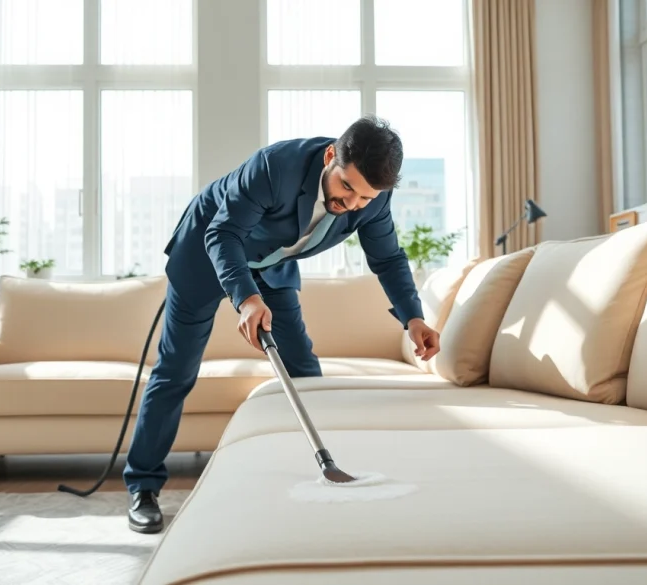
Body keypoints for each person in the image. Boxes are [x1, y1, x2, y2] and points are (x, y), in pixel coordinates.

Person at [123, 115, 442, 533]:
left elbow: (387, 258)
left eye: (365, 198)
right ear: (330, 156)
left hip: (272, 263)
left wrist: (413, 318)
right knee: (176, 371)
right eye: (346, 188)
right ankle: (142, 486)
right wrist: (246, 299)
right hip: (208, 252)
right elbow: (223, 234)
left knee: (303, 369)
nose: (352, 205)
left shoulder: (374, 198)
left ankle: (322, 473)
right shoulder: (275, 166)